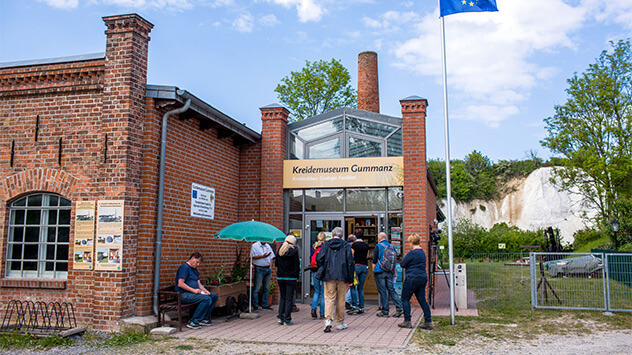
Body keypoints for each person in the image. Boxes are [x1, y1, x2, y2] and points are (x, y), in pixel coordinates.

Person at [315, 226, 354, 333]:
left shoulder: (326, 245)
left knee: (329, 298)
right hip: (343, 276)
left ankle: (328, 320)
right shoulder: (346, 245)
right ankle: (340, 322)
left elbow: (319, 259)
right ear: (342, 236)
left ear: (332, 235)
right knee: (341, 300)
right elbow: (350, 262)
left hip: (329, 275)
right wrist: (350, 279)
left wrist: (323, 267)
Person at [174, 252, 218, 329]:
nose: (198, 265)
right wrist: (193, 290)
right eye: (197, 262)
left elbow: (199, 284)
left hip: (194, 293)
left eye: (199, 263)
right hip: (184, 294)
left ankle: (204, 318)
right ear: (192, 258)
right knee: (206, 299)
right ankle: (194, 321)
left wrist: (205, 291)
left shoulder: (195, 270)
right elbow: (180, 284)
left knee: (213, 296)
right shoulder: (184, 268)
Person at [398, 233, 433, 329]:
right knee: (422, 299)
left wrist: (401, 260)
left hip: (412, 277)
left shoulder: (411, 253)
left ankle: (407, 321)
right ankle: (428, 321)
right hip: (422, 277)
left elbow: (402, 264)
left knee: (405, 299)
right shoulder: (422, 252)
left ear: (411, 242)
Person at [372, 232, 403, 317]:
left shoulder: (378, 246)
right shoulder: (392, 246)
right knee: (391, 290)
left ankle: (385, 311)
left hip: (380, 271)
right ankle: (399, 308)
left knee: (382, 291)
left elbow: (374, 260)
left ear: (379, 238)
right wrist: (395, 273)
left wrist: (373, 270)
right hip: (390, 271)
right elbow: (395, 260)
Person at [275, 234, 300, 326]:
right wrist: (297, 276)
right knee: (289, 298)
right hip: (291, 277)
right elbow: (297, 265)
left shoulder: (280, 251)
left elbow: (276, 264)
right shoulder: (294, 252)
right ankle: (287, 318)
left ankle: (280, 317)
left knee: (282, 297)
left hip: (280, 277)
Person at [251, 240, 275, 311]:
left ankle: (265, 304)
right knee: (257, 288)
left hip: (267, 268)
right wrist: (262, 256)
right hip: (259, 268)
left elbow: (271, 257)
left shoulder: (268, 246)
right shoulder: (255, 246)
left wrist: (270, 266)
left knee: (266, 288)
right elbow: (252, 257)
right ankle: (255, 305)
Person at [349, 229, 369, 314]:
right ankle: (361, 306)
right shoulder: (366, 245)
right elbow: (367, 256)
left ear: (356, 236)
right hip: (364, 266)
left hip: (356, 266)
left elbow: (351, 255)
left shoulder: (354, 245)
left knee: (353, 286)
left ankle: (354, 305)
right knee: (360, 288)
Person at [310, 232, 327, 319]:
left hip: (315, 271)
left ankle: (313, 308)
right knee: (323, 293)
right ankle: (322, 313)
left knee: (317, 291)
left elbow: (311, 257)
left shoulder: (314, 246)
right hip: (323, 271)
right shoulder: (326, 246)